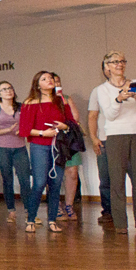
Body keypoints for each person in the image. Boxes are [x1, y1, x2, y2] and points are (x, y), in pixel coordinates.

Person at [90, 51, 136, 234]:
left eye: (122, 61)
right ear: (107, 67)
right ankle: (120, 225)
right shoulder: (101, 90)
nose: (120, 64)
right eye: (115, 61)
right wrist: (119, 99)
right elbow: (110, 116)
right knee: (117, 182)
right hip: (115, 137)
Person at [19, 71, 73, 234]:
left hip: (59, 146)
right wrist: (43, 133)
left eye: (50, 78)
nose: (49, 80)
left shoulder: (61, 100)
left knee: (56, 185)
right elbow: (24, 130)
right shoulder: (30, 102)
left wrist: (64, 126)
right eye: (44, 79)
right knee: (39, 183)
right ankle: (31, 219)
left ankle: (52, 220)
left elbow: (70, 123)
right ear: (37, 84)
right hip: (39, 146)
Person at [0, 81, 30, 224]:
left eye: (10, 88)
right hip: (1, 147)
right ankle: (11, 211)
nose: (8, 91)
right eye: (4, 89)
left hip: (19, 147)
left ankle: (29, 211)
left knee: (25, 179)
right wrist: (8, 130)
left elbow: (28, 124)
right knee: (7, 179)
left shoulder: (21, 107)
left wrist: (22, 130)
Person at [87, 59, 117, 224]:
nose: (112, 68)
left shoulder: (133, 85)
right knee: (106, 179)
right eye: (108, 66)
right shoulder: (98, 91)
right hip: (105, 139)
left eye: (118, 63)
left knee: (135, 177)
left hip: (129, 139)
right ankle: (108, 212)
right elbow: (92, 116)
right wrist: (94, 138)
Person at [51, 73, 83, 221]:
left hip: (69, 139)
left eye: (58, 81)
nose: (56, 84)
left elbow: (76, 118)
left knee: (72, 173)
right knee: (54, 174)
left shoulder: (67, 98)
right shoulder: (42, 101)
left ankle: (69, 205)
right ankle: (55, 205)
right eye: (53, 82)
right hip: (52, 140)